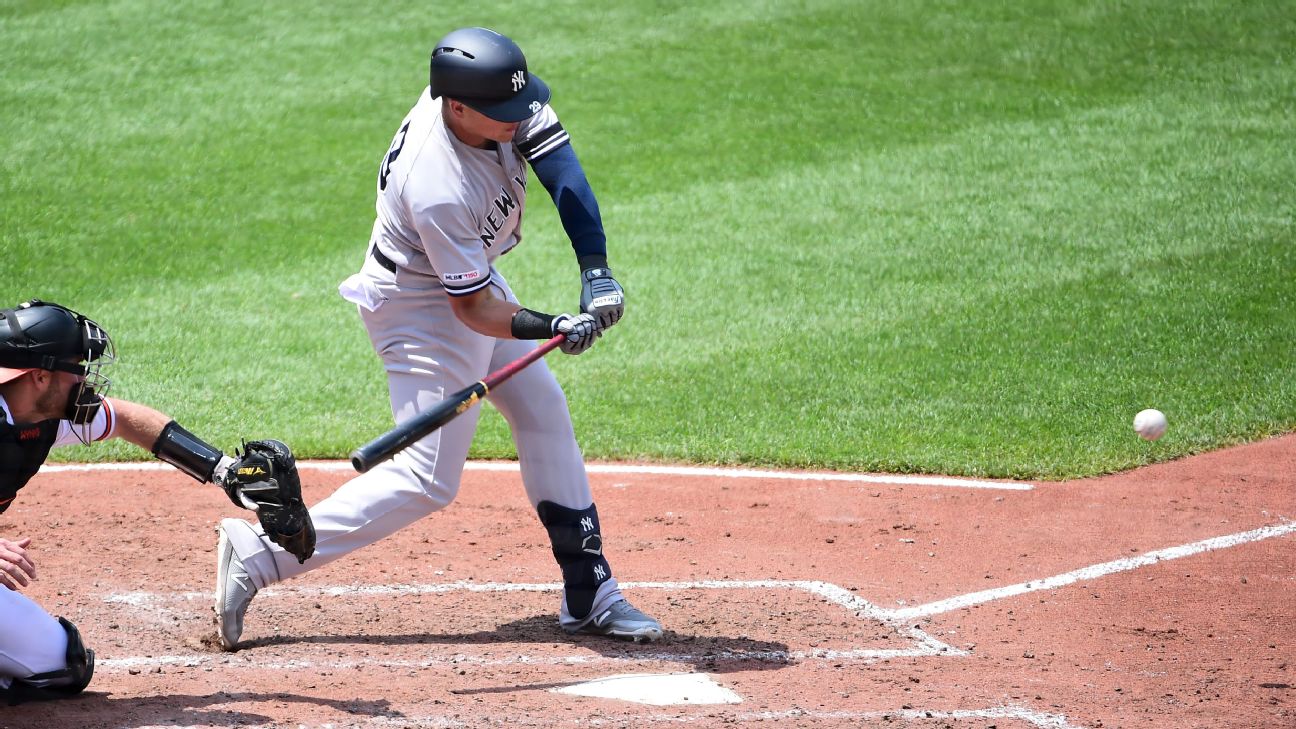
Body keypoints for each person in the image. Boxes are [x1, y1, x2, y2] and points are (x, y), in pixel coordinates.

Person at [214, 26, 662, 649]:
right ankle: (261, 552)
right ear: (456, 106)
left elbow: (563, 172)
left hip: (463, 276)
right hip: (420, 306)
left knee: (541, 409)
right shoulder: (437, 182)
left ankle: (588, 590)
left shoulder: (496, 99)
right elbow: (476, 309)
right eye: (503, 113)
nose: (521, 117)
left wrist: (597, 273)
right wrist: (550, 325)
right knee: (426, 479)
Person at [0, 299, 314, 704]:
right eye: (76, 369)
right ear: (40, 377)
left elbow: (129, 420)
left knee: (60, 663)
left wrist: (223, 471)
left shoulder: (38, 416)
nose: (85, 380)